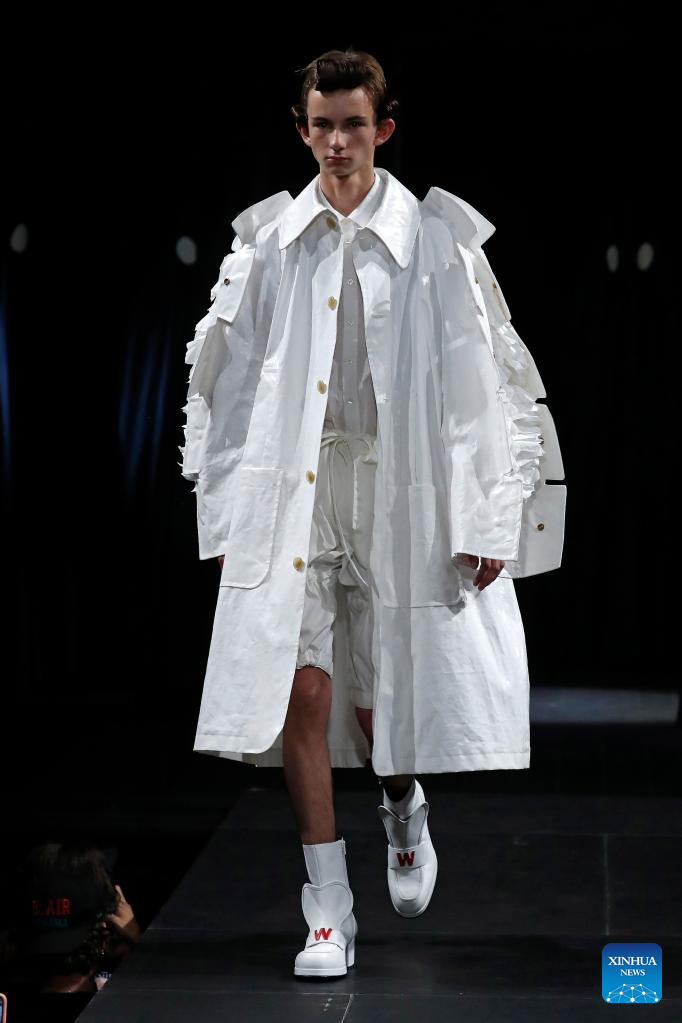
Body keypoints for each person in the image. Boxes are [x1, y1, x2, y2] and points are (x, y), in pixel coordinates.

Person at [179, 47, 566, 978]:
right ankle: (326, 908)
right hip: (298, 487)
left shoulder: (435, 240)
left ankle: (401, 806)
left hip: (398, 488)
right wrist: (225, 508)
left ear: (383, 128)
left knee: (373, 698)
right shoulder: (271, 241)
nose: (338, 143)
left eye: (354, 124)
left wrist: (490, 515)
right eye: (322, 125)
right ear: (302, 129)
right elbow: (226, 380)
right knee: (301, 689)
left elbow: (483, 384)